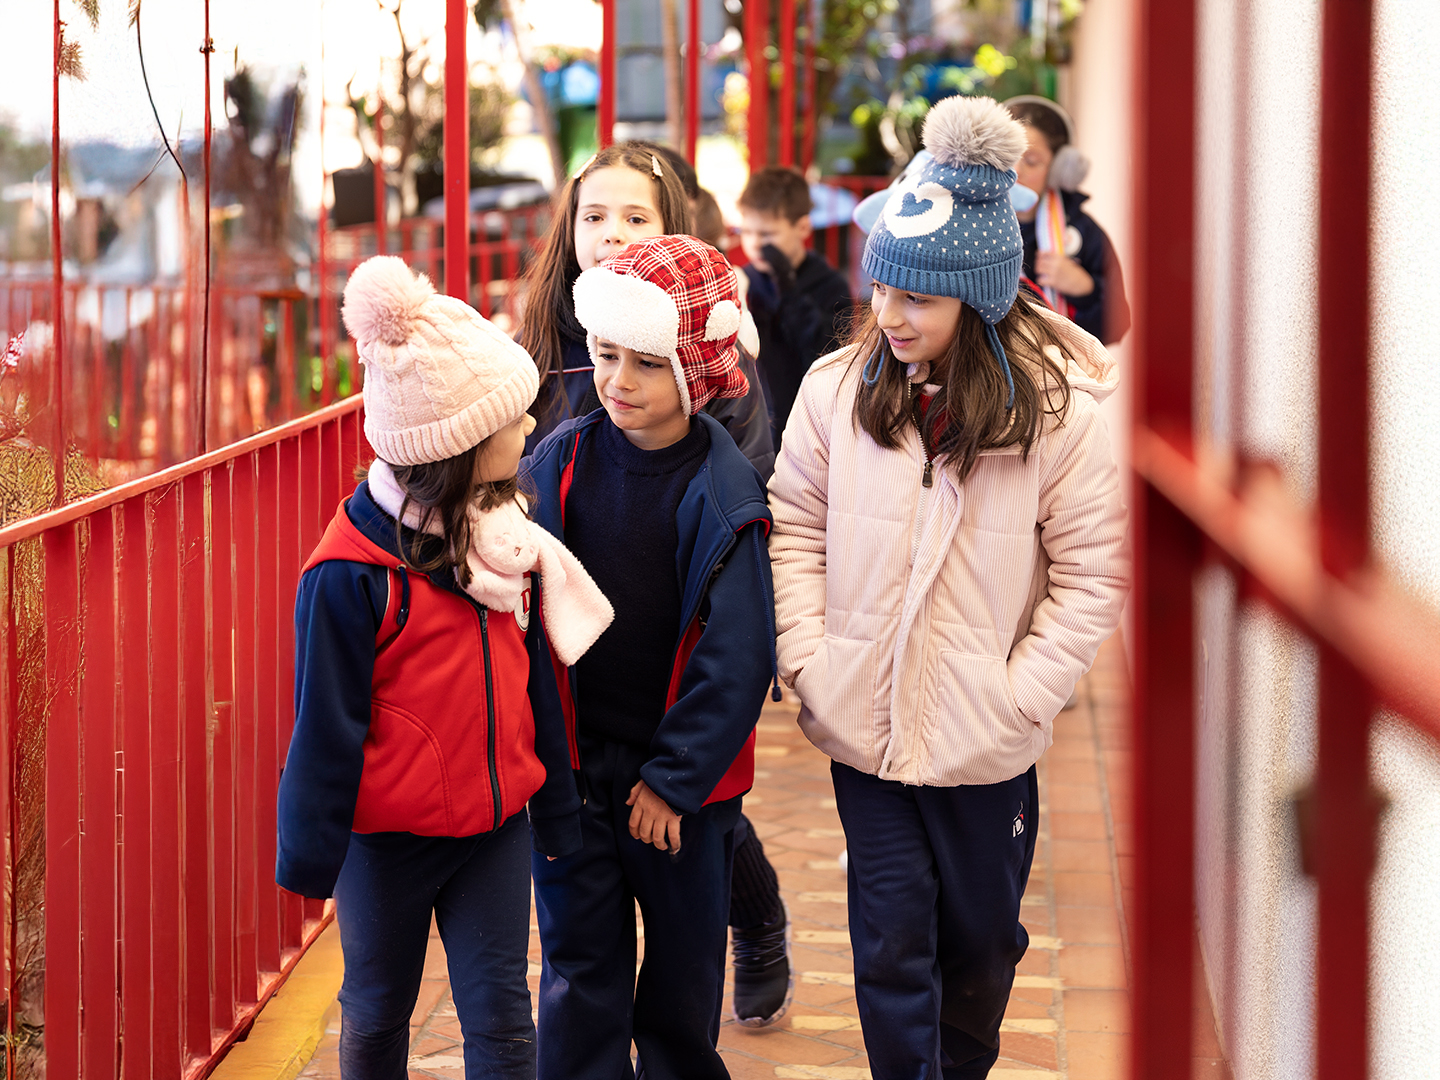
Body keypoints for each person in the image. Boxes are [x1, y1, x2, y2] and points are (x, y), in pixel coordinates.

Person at [768, 96, 1128, 1078]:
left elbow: (1093, 577)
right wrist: (809, 656)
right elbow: (791, 525)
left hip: (987, 741)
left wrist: (1022, 693)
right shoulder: (836, 394)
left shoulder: (1060, 418)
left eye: (917, 299)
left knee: (981, 945)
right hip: (864, 725)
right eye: (881, 287)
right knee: (888, 944)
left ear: (979, 297)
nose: (889, 316)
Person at [277, 256, 613, 1079]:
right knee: (378, 1009)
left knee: (501, 1021)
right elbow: (326, 725)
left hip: (493, 832)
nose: (530, 429)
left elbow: (538, 680)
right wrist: (309, 858)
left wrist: (557, 809)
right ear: (458, 447)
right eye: (512, 420)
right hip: (385, 845)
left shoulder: (501, 541)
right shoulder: (348, 575)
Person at [516, 140, 794, 1025]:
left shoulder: (721, 484)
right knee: (578, 977)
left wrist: (676, 779)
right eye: (592, 216)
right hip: (576, 766)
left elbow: (737, 649)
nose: (617, 382)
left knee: (678, 990)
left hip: (671, 767)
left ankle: (757, 924)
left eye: (633, 217)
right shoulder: (556, 453)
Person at [516, 142, 773, 476]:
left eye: (636, 218)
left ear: (672, 230)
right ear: (571, 229)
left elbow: (748, 471)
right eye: (594, 217)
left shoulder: (712, 339)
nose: (613, 234)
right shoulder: (536, 339)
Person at [736, 165, 853, 440]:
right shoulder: (743, 280)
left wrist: (787, 286)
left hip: (809, 424)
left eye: (767, 235)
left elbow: (823, 351)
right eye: (746, 232)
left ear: (802, 227)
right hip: (754, 424)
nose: (754, 243)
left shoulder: (830, 284)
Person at [1003, 95, 1131, 345]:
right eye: (1008, 156)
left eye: (1031, 161)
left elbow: (1118, 327)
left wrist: (1086, 289)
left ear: (1059, 169)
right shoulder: (968, 223)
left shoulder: (1084, 233)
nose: (1016, 170)